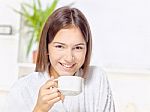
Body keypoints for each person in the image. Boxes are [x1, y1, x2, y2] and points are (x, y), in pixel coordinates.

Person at [3, 6, 115, 112]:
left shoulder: (96, 79)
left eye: (78, 47)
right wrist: (39, 109)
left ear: (87, 49)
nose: (69, 58)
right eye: (60, 46)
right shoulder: (23, 88)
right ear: (46, 48)